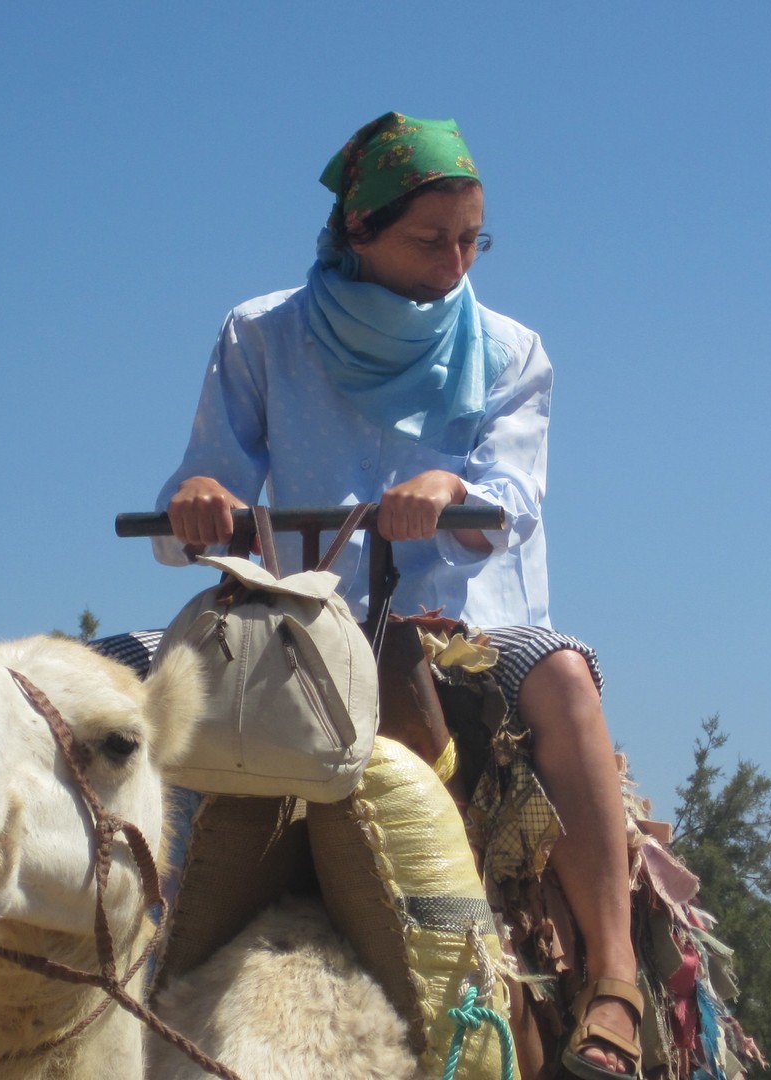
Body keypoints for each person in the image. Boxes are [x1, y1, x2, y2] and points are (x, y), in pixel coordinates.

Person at [152, 112, 641, 1079]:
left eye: (473, 238)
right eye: (431, 240)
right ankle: (120, 972)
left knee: (566, 676)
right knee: (116, 689)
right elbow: (203, 486)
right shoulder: (259, 335)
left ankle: (616, 985)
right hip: (295, 632)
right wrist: (199, 502)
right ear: (358, 232)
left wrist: (454, 492)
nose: (456, 261)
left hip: (465, 632)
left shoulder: (511, 351)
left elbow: (514, 500)